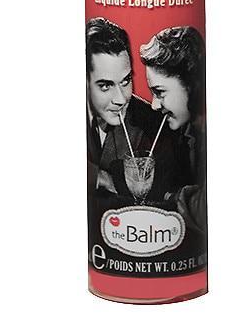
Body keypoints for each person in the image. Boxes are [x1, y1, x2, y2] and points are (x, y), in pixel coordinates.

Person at [86, 17, 167, 197]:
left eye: (125, 81)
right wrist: (94, 174)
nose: (121, 99)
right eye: (105, 85)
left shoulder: (152, 122)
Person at [140, 25, 206, 232]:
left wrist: (170, 197)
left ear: (191, 84)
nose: (154, 105)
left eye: (159, 92)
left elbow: (200, 208)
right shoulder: (187, 135)